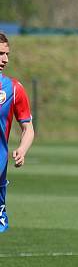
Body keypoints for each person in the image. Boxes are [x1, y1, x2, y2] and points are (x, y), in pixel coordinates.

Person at [0, 33, 35, 233]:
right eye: (0, 54)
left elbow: (28, 129)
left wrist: (22, 149)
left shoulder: (13, 89)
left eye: (7, 54)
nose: (5, 59)